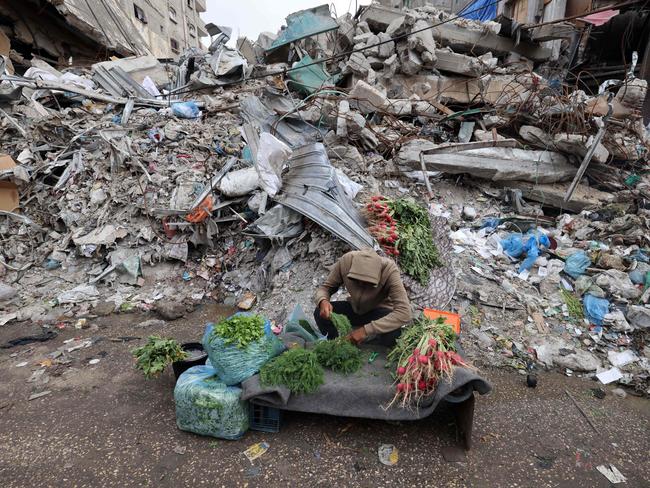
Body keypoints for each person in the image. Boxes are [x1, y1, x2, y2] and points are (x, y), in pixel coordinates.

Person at [314, 248, 412, 346]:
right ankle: (336, 344)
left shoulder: (389, 270)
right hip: (354, 308)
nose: (361, 284)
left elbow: (404, 312)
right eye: (356, 281)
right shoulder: (346, 262)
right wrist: (323, 300)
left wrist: (365, 331)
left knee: (393, 333)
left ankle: (375, 349)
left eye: (367, 283)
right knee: (319, 312)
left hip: (378, 311)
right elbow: (325, 288)